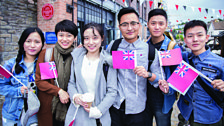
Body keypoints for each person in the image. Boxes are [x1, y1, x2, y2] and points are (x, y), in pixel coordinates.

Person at [106, 7, 161, 126]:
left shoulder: (149, 50)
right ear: (119, 27)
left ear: (139, 25)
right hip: (115, 105)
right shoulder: (113, 46)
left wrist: (148, 74)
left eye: (133, 23)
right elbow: (101, 59)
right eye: (124, 24)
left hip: (138, 108)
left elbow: (160, 79)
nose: (129, 28)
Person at [64, 22, 117, 126]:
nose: (90, 42)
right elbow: (71, 83)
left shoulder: (108, 61)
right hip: (77, 115)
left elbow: (112, 91)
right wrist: (75, 96)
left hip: (99, 117)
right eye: (86, 38)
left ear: (102, 38)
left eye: (95, 38)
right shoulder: (76, 58)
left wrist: (97, 110)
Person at [177, 20, 224, 125]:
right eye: (190, 36)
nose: (195, 39)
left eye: (199, 35)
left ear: (206, 38)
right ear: (185, 40)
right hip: (186, 115)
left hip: (210, 118)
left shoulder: (220, 62)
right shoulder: (183, 58)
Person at [35, 19, 78, 126]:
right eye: (61, 35)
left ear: (75, 37)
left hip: (73, 106)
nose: (64, 39)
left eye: (69, 35)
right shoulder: (48, 54)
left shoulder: (78, 55)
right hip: (50, 107)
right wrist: (59, 91)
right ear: (56, 36)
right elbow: (40, 81)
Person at [0, 27, 45, 126]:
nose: (32, 45)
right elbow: (1, 86)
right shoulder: (10, 64)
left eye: (37, 42)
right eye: (28, 41)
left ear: (42, 44)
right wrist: (17, 91)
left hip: (35, 116)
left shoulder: (45, 64)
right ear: (22, 43)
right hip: (12, 115)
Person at [145, 8, 180, 126]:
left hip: (163, 98)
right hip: (144, 97)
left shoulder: (172, 47)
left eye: (161, 24)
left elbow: (178, 76)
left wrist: (169, 88)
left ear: (166, 26)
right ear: (147, 25)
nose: (156, 27)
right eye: (153, 23)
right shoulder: (143, 46)